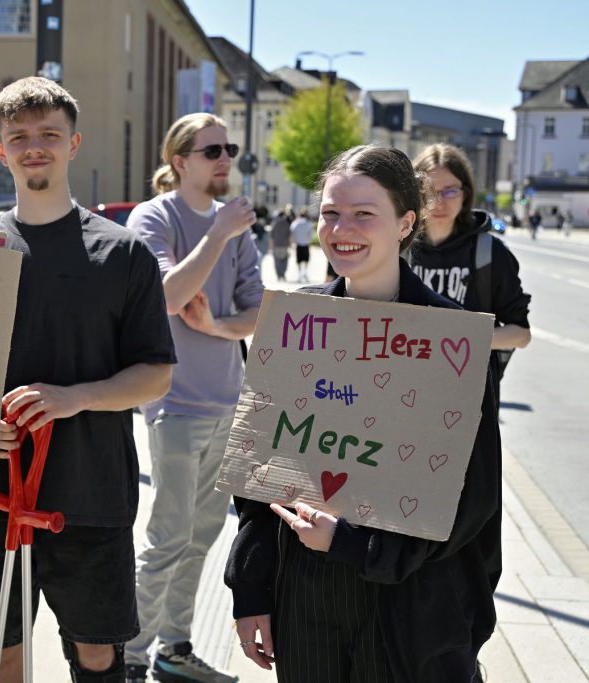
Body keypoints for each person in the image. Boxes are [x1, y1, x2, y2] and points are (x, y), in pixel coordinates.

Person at [226, 145, 502, 682]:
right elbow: (260, 480)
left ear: (405, 223)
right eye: (330, 212)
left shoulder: (453, 340)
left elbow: (474, 496)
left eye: (363, 214)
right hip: (305, 592)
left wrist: (359, 545)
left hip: (411, 602)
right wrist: (251, 588)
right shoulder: (294, 325)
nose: (340, 228)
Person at [0, 77, 176, 683]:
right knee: (1, 650)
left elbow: (156, 373)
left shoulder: (123, 253)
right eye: (18, 137)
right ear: (0, 150)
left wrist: (74, 399)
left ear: (73, 143)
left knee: (99, 652)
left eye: (49, 134)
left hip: (92, 490)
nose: (35, 147)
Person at [123, 112, 261, 683]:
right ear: (180, 161)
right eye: (211, 151)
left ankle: (173, 648)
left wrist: (218, 329)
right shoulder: (154, 216)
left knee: (203, 535)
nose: (225, 158)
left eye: (228, 148)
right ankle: (129, 655)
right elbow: (166, 295)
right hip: (175, 401)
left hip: (229, 399)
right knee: (167, 536)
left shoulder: (237, 226)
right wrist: (218, 233)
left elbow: (257, 314)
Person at [410, 143, 531, 406]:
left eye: (450, 191)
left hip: (469, 401)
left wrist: (463, 341)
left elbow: (521, 333)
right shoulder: (397, 250)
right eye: (430, 191)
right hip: (404, 394)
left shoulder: (489, 253)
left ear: (465, 194)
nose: (439, 201)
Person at [268, 205, 292, 282]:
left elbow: (271, 236)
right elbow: (289, 235)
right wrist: (290, 245)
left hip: (276, 245)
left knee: (277, 261)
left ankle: (279, 275)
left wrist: (271, 246)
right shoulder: (287, 223)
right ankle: (283, 274)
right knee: (284, 260)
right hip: (284, 245)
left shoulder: (274, 223)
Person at [290, 208, 313, 282]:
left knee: (299, 261)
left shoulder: (295, 223)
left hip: (298, 244)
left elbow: (292, 232)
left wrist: (293, 241)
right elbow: (310, 235)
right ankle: (305, 273)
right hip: (306, 244)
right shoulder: (308, 223)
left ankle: (300, 274)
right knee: (306, 260)